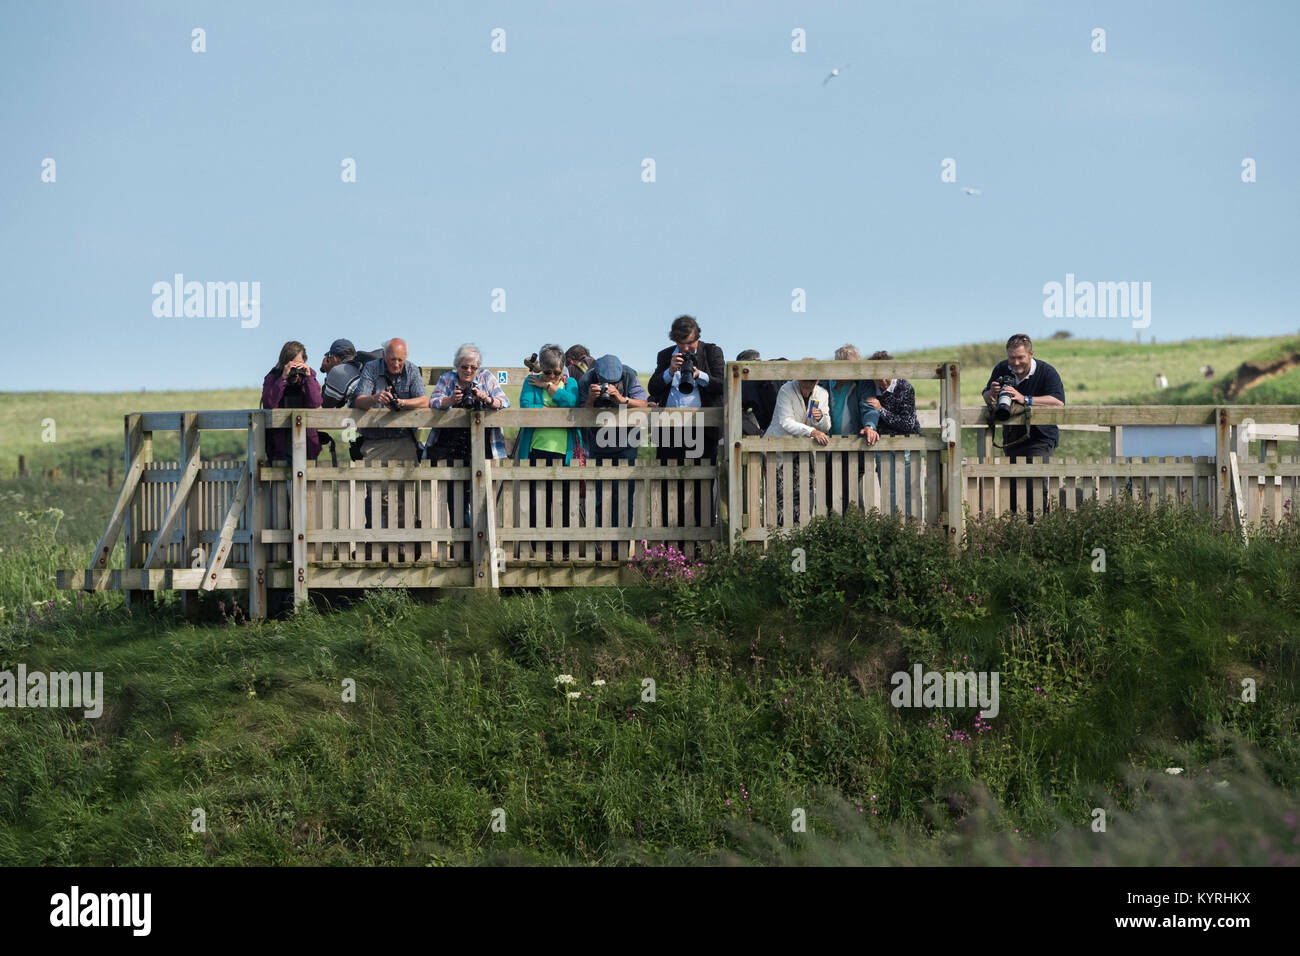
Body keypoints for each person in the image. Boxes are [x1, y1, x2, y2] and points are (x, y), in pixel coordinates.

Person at [648, 315, 726, 528]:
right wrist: (669, 371)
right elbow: (653, 388)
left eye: (690, 343)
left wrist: (699, 374)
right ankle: (671, 545)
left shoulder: (711, 352)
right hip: (669, 430)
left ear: (697, 337)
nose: (686, 349)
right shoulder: (665, 356)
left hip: (703, 428)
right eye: (681, 344)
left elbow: (722, 385)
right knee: (669, 484)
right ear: (674, 341)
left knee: (701, 486)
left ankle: (701, 546)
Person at [426, 344, 510, 538]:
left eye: (473, 367)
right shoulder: (447, 379)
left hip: (483, 446)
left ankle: (481, 542)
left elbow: (504, 402)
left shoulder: (486, 378)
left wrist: (485, 398)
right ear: (457, 366)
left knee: (484, 498)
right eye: (464, 367)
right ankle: (463, 547)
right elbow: (432, 402)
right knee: (456, 499)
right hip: (452, 447)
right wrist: (449, 401)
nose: (469, 371)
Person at [352, 338, 427, 556]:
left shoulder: (411, 370)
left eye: (400, 360)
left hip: (403, 439)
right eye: (393, 359)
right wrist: (376, 398)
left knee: (403, 494)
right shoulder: (371, 368)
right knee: (376, 494)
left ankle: (401, 545)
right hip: (375, 440)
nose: (396, 364)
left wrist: (401, 403)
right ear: (384, 356)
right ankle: (376, 544)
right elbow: (359, 400)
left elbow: (424, 401)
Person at [981, 333, 1066, 516]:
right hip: (1012, 438)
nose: (1016, 362)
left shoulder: (1046, 372)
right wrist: (993, 393)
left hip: (1041, 437)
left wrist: (1025, 399)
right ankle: (1017, 531)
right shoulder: (1002, 369)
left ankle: (1038, 528)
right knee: (1012, 488)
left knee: (1034, 486)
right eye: (1012, 358)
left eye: (1020, 358)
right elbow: (986, 396)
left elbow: (1058, 402)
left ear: (1031, 354)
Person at [517, 345, 581, 557]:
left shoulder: (570, 383)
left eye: (556, 372)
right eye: (547, 372)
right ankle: (539, 546)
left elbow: (572, 404)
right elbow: (526, 407)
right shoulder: (529, 382)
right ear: (541, 368)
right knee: (537, 500)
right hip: (537, 448)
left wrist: (548, 388)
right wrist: (553, 410)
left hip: (563, 450)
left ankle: (561, 548)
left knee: (562, 499)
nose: (552, 376)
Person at [580, 353, 652, 531]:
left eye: (614, 382)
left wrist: (622, 400)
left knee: (624, 497)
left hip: (626, 445)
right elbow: (580, 414)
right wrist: (591, 399)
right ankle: (598, 546)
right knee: (597, 497)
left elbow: (644, 403)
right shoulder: (586, 380)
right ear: (596, 375)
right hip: (597, 445)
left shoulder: (629, 375)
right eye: (605, 382)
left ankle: (620, 546)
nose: (609, 386)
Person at [764, 367, 831, 524]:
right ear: (798, 379)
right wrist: (812, 431)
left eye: (812, 382)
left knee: (803, 499)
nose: (808, 385)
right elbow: (786, 421)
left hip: (804, 454)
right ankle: (779, 540)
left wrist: (820, 418)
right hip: (780, 452)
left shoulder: (822, 394)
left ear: (817, 381)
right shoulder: (786, 390)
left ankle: (801, 538)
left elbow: (826, 426)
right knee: (780, 498)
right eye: (805, 381)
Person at [820, 344, 881, 512]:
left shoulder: (862, 384)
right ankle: (837, 531)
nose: (856, 371)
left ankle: (854, 531)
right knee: (828, 490)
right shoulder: (824, 384)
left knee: (849, 490)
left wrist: (870, 425)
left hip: (853, 445)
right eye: (851, 367)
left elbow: (868, 406)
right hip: (828, 446)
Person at [863, 350, 921, 516]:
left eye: (885, 376)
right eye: (877, 377)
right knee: (889, 492)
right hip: (884, 446)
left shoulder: (904, 387)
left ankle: (912, 527)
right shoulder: (870, 389)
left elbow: (908, 424)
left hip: (908, 444)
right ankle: (892, 529)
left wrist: (881, 410)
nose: (882, 381)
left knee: (910, 492)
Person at [261, 341, 322, 463]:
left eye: (299, 364)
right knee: (281, 481)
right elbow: (269, 404)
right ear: (284, 363)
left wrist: (308, 378)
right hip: (280, 444)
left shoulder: (309, 377)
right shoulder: (273, 377)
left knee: (309, 482)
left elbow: (315, 403)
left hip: (307, 445)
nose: (296, 368)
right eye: (292, 364)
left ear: (304, 362)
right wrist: (283, 379)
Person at [320, 339, 383, 409]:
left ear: (334, 358)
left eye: (329, 356)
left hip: (365, 417)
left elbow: (327, 405)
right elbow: (340, 402)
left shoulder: (339, 371)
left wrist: (329, 373)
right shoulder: (362, 366)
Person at [737, 349, 778, 436]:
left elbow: (735, 413)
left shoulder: (746, 385)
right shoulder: (778, 369)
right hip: (798, 427)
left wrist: (757, 434)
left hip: (773, 430)